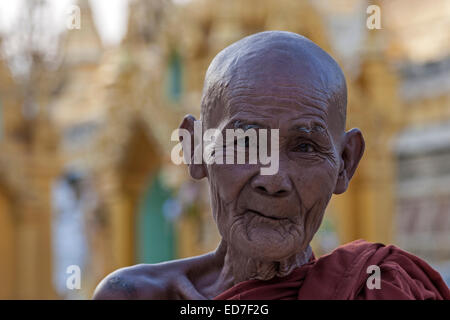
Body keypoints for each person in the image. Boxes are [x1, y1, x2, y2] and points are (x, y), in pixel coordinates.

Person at [93, 31, 450, 300]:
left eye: (305, 146)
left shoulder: (380, 289)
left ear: (345, 162)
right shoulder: (133, 295)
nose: (274, 178)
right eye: (245, 143)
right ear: (195, 149)